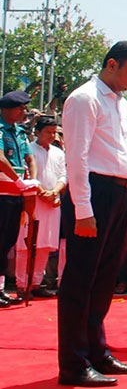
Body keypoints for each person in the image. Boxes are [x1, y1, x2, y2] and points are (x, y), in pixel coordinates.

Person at [59, 41, 127, 386]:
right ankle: (74, 364)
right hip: (94, 193)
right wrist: (83, 209)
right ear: (112, 64)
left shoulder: (121, 102)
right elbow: (77, 157)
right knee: (80, 280)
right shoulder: (85, 99)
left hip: (118, 194)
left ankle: (97, 351)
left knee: (105, 279)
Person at [15, 116, 65, 299]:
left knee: (45, 245)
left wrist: (54, 192)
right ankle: (22, 284)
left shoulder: (59, 153)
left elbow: (63, 175)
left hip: (52, 203)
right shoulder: (28, 150)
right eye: (48, 132)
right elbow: (26, 173)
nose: (52, 136)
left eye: (54, 132)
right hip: (32, 202)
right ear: (37, 132)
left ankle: (36, 283)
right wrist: (41, 191)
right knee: (25, 244)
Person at [0, 91, 39, 308]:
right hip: (2, 191)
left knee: (7, 242)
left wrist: (31, 180)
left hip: (16, 194)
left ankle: (1, 289)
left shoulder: (20, 133)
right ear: (5, 109)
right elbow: (0, 157)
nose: (23, 112)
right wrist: (17, 179)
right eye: (19, 108)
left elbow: (30, 157)